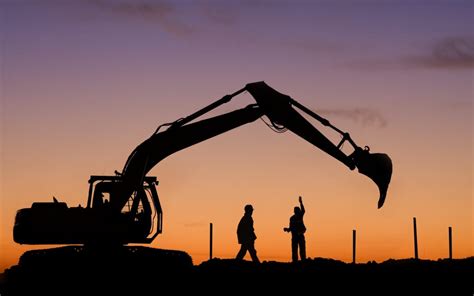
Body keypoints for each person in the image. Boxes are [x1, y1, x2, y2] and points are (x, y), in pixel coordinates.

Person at [284, 196, 306, 262]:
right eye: (296, 211)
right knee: (294, 251)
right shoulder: (292, 218)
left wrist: (301, 202)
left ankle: (303, 261)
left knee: (302, 251)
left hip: (300, 236)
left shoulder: (300, 215)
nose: (297, 212)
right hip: (294, 237)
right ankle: (295, 262)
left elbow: (303, 210)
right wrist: (287, 229)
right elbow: (291, 228)